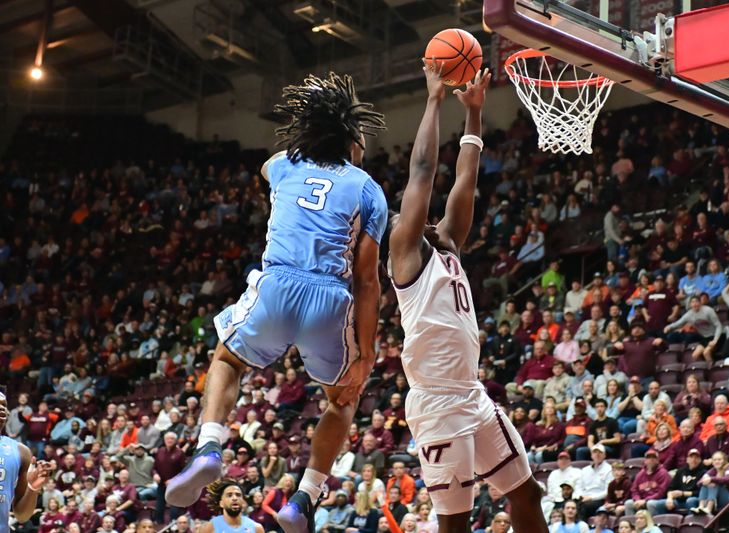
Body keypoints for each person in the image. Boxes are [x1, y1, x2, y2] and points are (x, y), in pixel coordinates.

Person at [165, 70, 389, 533]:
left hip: (277, 285)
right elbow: (369, 282)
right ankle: (304, 498)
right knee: (342, 398)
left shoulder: (285, 165)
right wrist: (366, 354)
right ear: (349, 137)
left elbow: (269, 166)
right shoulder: (369, 188)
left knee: (227, 357)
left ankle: (209, 447)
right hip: (331, 297)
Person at [388, 65, 545, 533]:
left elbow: (466, 177)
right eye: (410, 212)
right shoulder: (406, 252)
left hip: (471, 396)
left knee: (527, 493)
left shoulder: (449, 242)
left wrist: (474, 115)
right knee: (455, 525)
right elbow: (423, 171)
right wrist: (433, 101)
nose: (420, 214)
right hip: (437, 404)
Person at [0, 391, 56, 529]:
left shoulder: (21, 451)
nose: (1, 408)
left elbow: (22, 515)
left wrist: (33, 488)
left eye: (4, 405)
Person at [646, 447, 704, 515]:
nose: (694, 460)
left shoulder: (703, 473)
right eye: (691, 457)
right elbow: (671, 488)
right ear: (687, 459)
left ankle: (691, 523)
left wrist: (683, 493)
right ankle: (661, 523)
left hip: (693, 500)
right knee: (653, 504)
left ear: (700, 460)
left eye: (696, 458)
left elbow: (701, 492)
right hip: (678, 501)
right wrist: (670, 498)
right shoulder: (680, 471)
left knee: (690, 501)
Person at [198, 479, 265, 533]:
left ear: (243, 502)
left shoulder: (257, 528)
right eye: (229, 495)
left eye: (238, 495)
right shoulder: (208, 528)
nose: (235, 498)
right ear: (221, 503)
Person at [691, 451, 729, 515]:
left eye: (719, 459)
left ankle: (709, 508)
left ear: (724, 460)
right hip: (717, 498)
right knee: (706, 483)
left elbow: (727, 479)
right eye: (715, 460)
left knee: (714, 483)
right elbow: (699, 483)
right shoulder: (712, 470)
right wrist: (705, 482)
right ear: (712, 462)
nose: (717, 462)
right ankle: (701, 506)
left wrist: (711, 479)